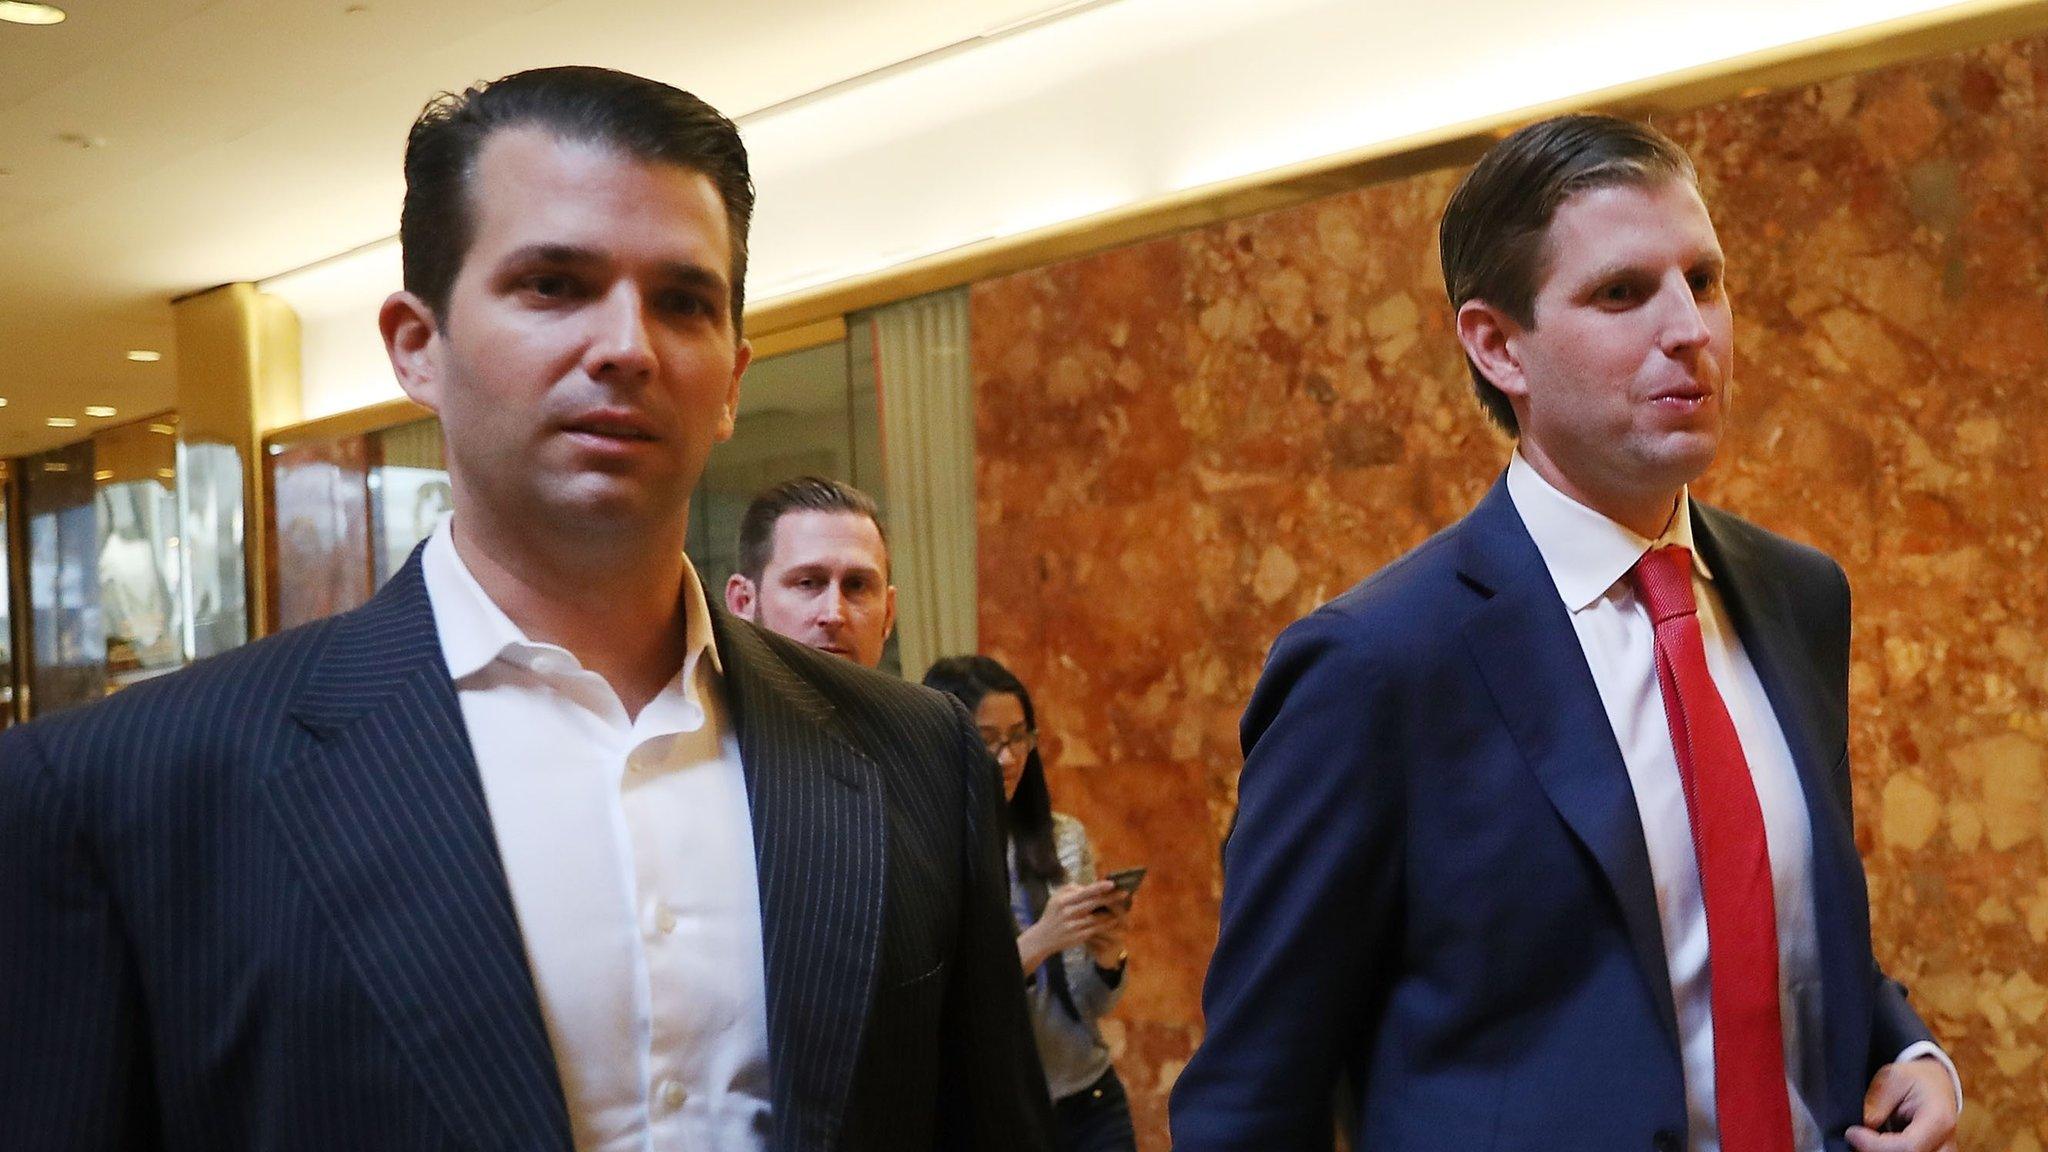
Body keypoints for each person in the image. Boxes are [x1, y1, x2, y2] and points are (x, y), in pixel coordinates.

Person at [0, 66, 1053, 1152]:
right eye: (552, 284)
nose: (627, 347)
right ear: (418, 344)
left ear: (732, 378)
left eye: (683, 301)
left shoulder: (910, 756)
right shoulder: (125, 795)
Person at [1169, 114, 1961, 1152]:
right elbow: (1250, 1097)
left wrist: (1902, 1050)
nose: (1688, 328)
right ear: (1497, 346)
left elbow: (1772, 914)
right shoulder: (1375, 668)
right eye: (1621, 293)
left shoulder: (1797, 595)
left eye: (1705, 281)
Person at [923, 655, 1139, 1152]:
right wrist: (1038, 942)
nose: (1008, 757)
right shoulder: (926, 851)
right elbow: (947, 1007)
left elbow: (1089, 1004)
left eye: (1020, 737)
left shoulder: (1062, 839)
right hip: (995, 1113)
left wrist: (1109, 957)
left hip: (1090, 1097)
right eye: (989, 739)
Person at [726, 475, 895, 668]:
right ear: (743, 602)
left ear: (888, 613)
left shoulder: (924, 699)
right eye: (807, 583)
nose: (834, 615)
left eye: (856, 586)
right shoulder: (699, 697)